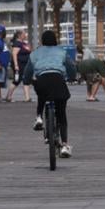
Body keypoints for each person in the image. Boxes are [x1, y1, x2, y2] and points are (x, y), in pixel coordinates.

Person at [29, 30, 73, 158]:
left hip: (42, 80)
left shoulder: (35, 53)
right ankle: (64, 145)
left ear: (42, 41)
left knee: (41, 94)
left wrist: (27, 80)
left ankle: (39, 117)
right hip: (58, 80)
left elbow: (28, 71)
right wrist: (72, 76)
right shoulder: (62, 52)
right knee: (62, 114)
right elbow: (70, 67)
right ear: (55, 40)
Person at [7, 30, 32, 102]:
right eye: (24, 34)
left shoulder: (24, 43)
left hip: (25, 65)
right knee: (17, 80)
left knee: (26, 80)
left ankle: (27, 98)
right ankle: (9, 96)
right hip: (19, 65)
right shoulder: (17, 44)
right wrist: (16, 65)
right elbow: (14, 54)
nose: (25, 35)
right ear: (19, 35)